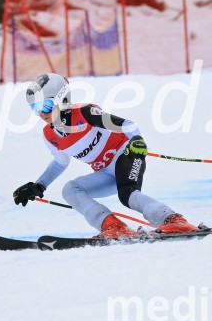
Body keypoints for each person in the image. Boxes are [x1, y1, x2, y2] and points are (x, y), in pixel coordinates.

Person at [13, 73, 199, 238]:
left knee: (127, 194)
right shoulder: (50, 135)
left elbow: (127, 125)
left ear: (62, 99)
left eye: (45, 105)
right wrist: (39, 185)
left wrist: (137, 141)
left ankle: (172, 219)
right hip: (106, 172)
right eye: (35, 108)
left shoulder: (85, 112)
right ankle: (112, 225)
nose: (41, 113)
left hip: (126, 154)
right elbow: (60, 163)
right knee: (70, 189)